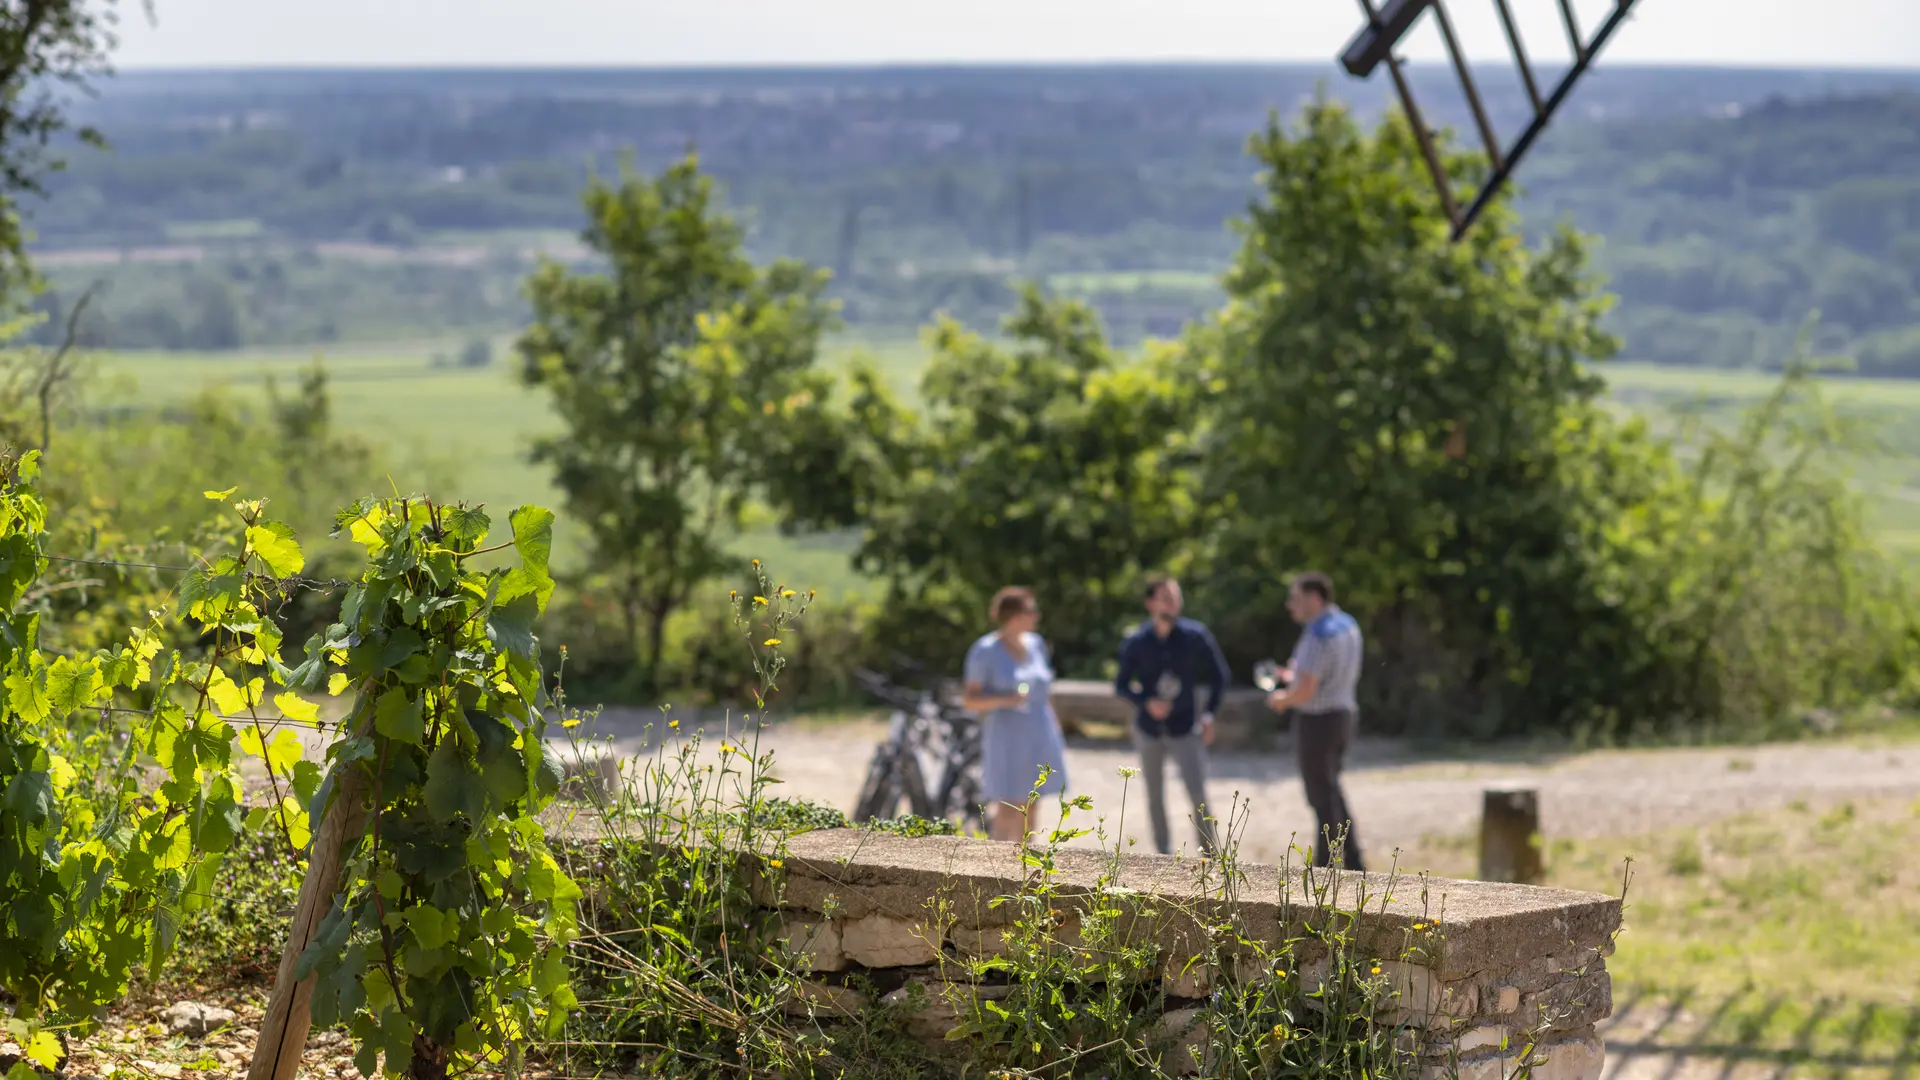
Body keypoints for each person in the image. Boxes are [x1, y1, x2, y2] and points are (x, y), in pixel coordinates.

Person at [1114, 576, 1231, 856]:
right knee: (1155, 795)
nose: (1173, 603)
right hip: (1148, 729)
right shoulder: (1137, 640)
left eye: (1176, 597)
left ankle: (1210, 856)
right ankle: (1162, 855)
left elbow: (1220, 676)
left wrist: (1209, 715)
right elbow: (1121, 685)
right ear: (1150, 603)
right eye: (1165, 598)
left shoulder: (1196, 635)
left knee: (1198, 794)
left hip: (1185, 727)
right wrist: (1146, 702)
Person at [1264, 571, 1365, 871]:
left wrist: (1281, 699)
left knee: (1321, 798)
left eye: (1295, 598)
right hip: (1343, 717)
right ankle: (1354, 861)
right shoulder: (1347, 625)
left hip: (1317, 723)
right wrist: (1293, 677)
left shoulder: (1316, 634)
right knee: (1332, 791)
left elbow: (1306, 691)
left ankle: (1326, 867)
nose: (1289, 605)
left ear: (1314, 598)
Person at [962, 586, 1069, 844]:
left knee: (1033, 805)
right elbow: (969, 699)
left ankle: (1025, 870)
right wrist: (1007, 699)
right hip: (1007, 737)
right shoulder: (985, 650)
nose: (1037, 616)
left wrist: (1055, 729)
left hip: (1039, 732)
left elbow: (1044, 693)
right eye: (1031, 610)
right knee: (1010, 806)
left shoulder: (1036, 644)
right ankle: (997, 872)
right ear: (1013, 614)